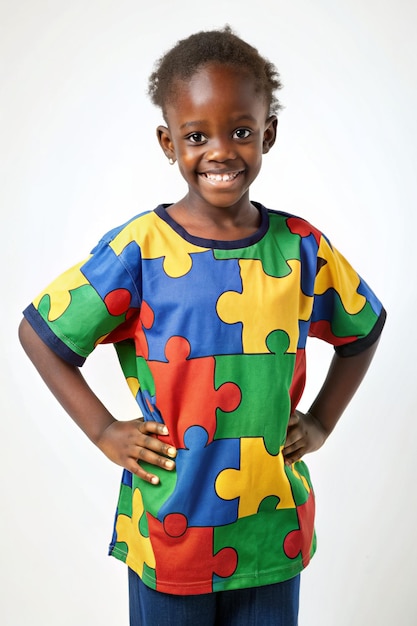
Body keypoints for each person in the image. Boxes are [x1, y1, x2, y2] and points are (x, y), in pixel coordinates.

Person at [19, 26, 386, 626]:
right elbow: (42, 334)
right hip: (171, 531)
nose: (221, 150)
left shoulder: (301, 248)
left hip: (271, 533)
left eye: (241, 131)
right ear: (169, 142)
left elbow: (362, 329)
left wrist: (321, 421)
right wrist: (105, 431)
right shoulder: (139, 247)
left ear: (268, 133)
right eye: (197, 136)